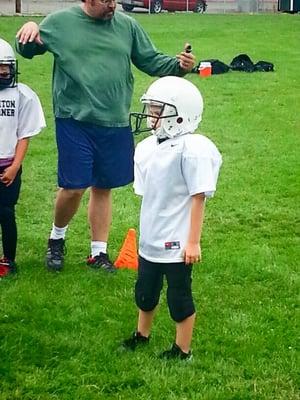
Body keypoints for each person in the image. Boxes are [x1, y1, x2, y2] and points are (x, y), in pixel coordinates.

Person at [15, 0, 196, 273]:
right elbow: (28, 49)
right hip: (74, 119)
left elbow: (150, 60)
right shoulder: (61, 23)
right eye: (106, 1)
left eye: (114, 0)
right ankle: (57, 238)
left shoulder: (127, 26)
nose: (112, 5)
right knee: (74, 186)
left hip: (114, 120)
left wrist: (180, 65)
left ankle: (98, 253)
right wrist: (29, 27)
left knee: (103, 186)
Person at [123, 76, 222, 360]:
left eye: (157, 110)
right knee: (145, 291)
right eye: (151, 109)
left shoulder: (192, 149)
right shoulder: (147, 148)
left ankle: (183, 349)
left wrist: (193, 242)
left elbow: (198, 197)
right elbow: (149, 194)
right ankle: (142, 334)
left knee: (179, 297)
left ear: (180, 116)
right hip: (151, 236)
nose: (151, 116)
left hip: (177, 243)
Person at [0, 38, 45, 277]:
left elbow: (24, 135)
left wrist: (15, 166)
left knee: (6, 212)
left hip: (7, 165)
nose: (3, 72)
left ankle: (8, 259)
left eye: (5, 66)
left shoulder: (22, 95)